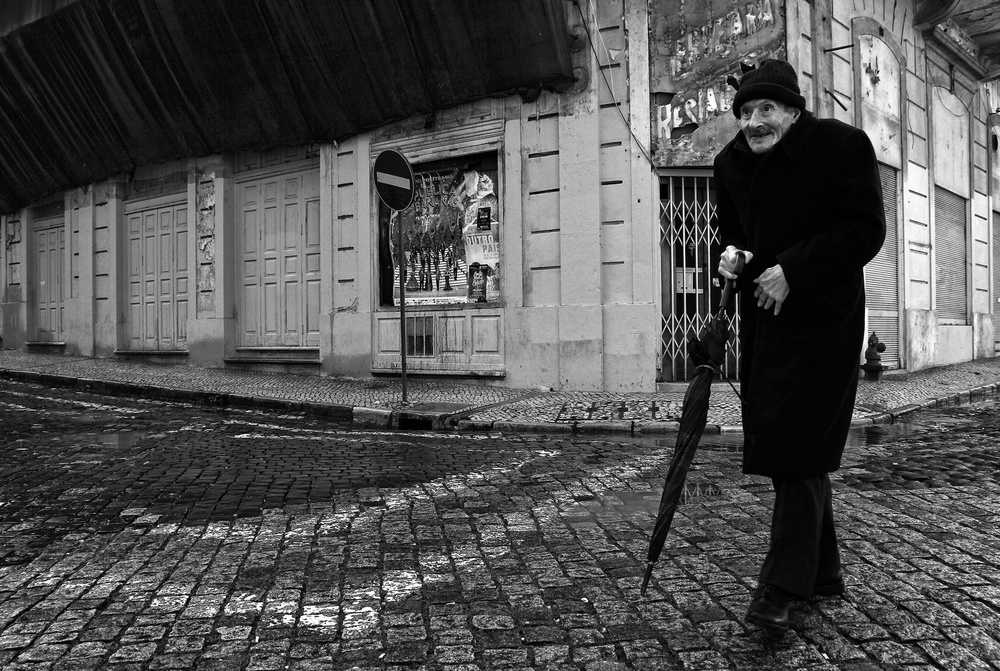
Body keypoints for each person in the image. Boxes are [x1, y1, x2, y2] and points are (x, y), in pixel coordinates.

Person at [713, 59, 886, 632]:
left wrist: (793, 269)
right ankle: (824, 571)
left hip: (824, 324)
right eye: (745, 112)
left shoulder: (841, 146)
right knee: (793, 443)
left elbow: (863, 230)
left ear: (792, 111)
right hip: (765, 326)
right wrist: (731, 256)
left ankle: (781, 585)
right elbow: (732, 233)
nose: (754, 122)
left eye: (766, 108)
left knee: (799, 446)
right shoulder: (730, 162)